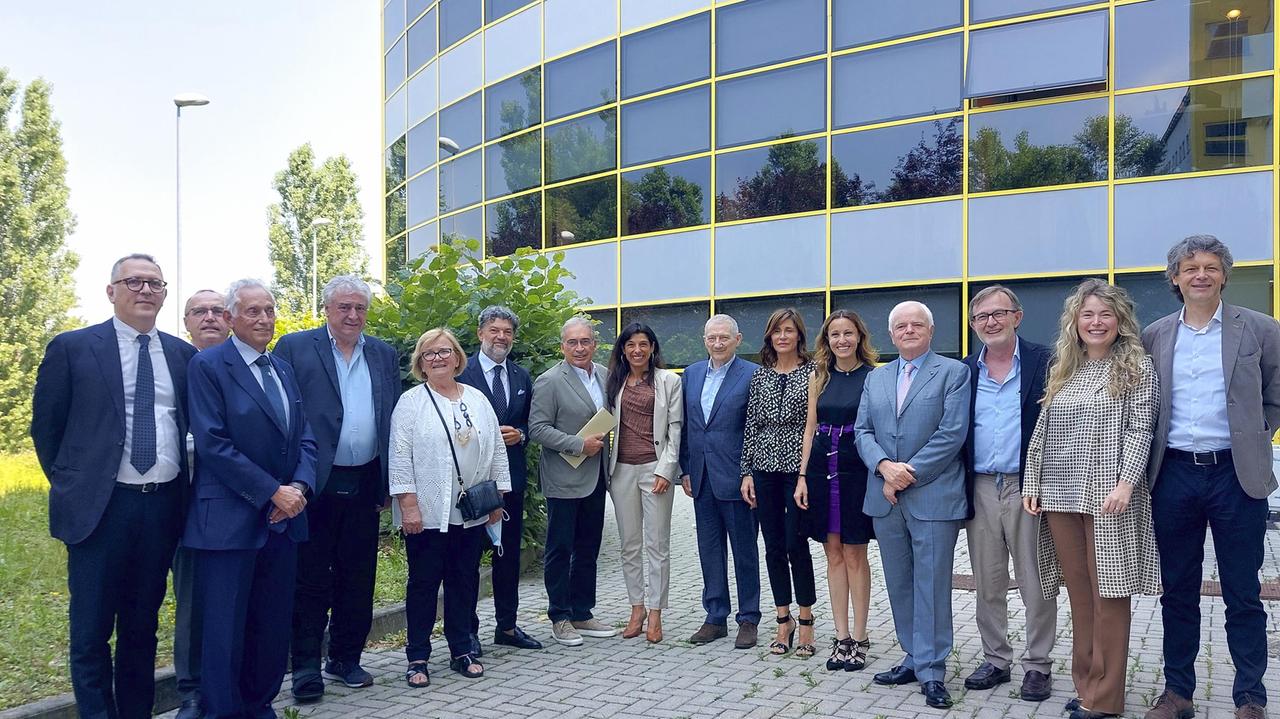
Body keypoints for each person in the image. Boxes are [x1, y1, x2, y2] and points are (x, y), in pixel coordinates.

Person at [31, 254, 196, 719]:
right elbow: (47, 429)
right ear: (111, 291)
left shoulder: (181, 355)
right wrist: (75, 484)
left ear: (164, 294)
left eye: (155, 284)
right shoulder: (73, 348)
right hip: (100, 511)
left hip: (161, 509)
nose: (145, 291)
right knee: (91, 630)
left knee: (142, 627)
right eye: (134, 282)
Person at [1141, 236, 1279, 719]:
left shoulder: (1261, 329)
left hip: (1236, 477)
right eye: (1191, 266)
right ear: (1175, 277)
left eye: (1211, 266)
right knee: (1177, 590)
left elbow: (1274, 393)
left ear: (1225, 275)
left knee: (1243, 592)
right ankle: (1178, 693)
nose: (1201, 273)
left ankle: (1250, 697)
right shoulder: (1155, 335)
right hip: (1173, 475)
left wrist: (1255, 436)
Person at [1022, 279, 1161, 719]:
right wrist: (1032, 483)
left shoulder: (1136, 366)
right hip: (1060, 496)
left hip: (1109, 498)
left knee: (1110, 596)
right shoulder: (1066, 366)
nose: (1096, 322)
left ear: (1120, 320)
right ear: (1075, 322)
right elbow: (1042, 430)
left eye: (1105, 314)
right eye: (1088, 315)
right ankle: (1085, 684)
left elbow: (1142, 428)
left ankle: (1105, 699)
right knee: (1080, 596)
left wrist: (1126, 482)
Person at [184, 279, 317, 719]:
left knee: (271, 623)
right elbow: (213, 443)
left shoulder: (281, 367)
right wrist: (270, 492)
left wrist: (297, 488)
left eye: (269, 310)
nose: (263, 319)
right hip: (229, 521)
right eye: (252, 311)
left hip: (283, 519)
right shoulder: (209, 366)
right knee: (224, 629)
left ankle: (260, 704)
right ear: (229, 317)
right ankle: (222, 711)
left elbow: (306, 438)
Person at [274, 275, 400, 701]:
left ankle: (346, 658)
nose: (352, 315)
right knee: (309, 579)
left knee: (358, 576)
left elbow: (390, 420)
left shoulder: (382, 353)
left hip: (365, 482)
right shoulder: (294, 347)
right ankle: (306, 666)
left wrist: (390, 482)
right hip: (313, 485)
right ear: (326, 309)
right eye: (343, 307)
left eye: (359, 308)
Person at [854, 300, 970, 709]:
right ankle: (912, 656)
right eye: (900, 326)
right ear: (891, 334)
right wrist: (884, 467)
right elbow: (862, 430)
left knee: (932, 583)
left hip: (933, 495)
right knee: (900, 581)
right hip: (884, 497)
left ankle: (934, 670)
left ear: (931, 330)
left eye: (915, 325)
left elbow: (951, 433)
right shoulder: (877, 378)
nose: (908, 331)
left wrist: (907, 473)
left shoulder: (954, 373)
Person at [389, 328, 509, 688]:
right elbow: (399, 456)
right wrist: (408, 504)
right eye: (430, 354)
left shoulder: (476, 399)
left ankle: (462, 649)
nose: (438, 358)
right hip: (426, 512)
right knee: (423, 584)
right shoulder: (411, 402)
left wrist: (496, 499)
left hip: (471, 510)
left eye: (445, 352)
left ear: (458, 358)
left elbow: (497, 451)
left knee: (464, 581)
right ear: (420, 363)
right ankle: (417, 657)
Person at [960, 285, 1057, 702]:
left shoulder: (1048, 361)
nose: (991, 322)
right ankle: (996, 659)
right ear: (972, 325)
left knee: (1035, 580)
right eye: (982, 317)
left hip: (1027, 486)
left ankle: (1037, 665)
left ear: (1017, 316)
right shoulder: (964, 371)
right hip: (980, 485)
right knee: (988, 580)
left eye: (999, 313)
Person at [794, 310, 877, 672]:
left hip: (857, 470)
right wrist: (801, 476)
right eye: (834, 335)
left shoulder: (876, 376)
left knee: (855, 554)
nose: (841, 340)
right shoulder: (819, 376)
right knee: (833, 554)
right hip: (820, 471)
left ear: (859, 336)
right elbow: (810, 428)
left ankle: (859, 637)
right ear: (826, 341)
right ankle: (840, 636)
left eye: (847, 333)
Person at [528, 317, 618, 646]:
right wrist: (579, 444)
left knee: (587, 548)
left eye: (585, 342)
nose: (579, 348)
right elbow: (537, 428)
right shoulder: (550, 381)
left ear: (595, 344)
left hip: (595, 478)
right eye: (572, 343)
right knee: (560, 548)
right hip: (564, 477)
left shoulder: (607, 376)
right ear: (562, 346)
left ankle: (582, 612)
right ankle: (560, 616)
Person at [458, 306, 542, 652]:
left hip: (511, 480)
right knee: (467, 559)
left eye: (507, 331)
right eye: (494, 330)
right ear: (480, 334)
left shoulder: (521, 377)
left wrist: (520, 435)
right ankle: (468, 631)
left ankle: (507, 627)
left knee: (506, 557)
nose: (501, 337)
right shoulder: (462, 374)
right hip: (471, 482)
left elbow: (528, 424)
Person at [680, 314, 762, 649]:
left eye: (724, 338)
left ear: (738, 339)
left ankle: (748, 618)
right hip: (701, 478)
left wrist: (751, 473)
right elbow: (685, 426)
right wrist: (685, 469)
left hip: (738, 479)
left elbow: (758, 429)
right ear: (704, 339)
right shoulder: (691, 374)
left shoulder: (754, 375)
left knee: (744, 551)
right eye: (712, 338)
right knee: (709, 551)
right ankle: (715, 616)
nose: (717, 343)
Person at [739, 308, 817, 658]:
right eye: (776, 331)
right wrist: (746, 472)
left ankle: (806, 620)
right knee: (771, 545)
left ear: (799, 335)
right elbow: (751, 426)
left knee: (795, 543)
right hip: (763, 468)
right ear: (769, 337)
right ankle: (781, 618)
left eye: (789, 330)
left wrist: (803, 475)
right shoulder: (760, 377)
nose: (782, 336)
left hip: (796, 470)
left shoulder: (814, 372)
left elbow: (811, 428)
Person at [605, 322, 683, 643]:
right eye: (630, 345)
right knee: (629, 545)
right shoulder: (614, 382)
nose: (636, 350)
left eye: (643, 344)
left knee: (657, 545)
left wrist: (667, 470)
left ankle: (655, 612)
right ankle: (635, 608)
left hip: (655, 469)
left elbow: (675, 429)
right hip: (621, 470)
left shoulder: (668, 382)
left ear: (652, 348)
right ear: (623, 350)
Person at [172, 288, 230, 719]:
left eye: (216, 310)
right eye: (199, 311)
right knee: (192, 599)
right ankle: (192, 689)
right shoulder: (173, 364)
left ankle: (234, 683)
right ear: (187, 321)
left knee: (238, 597)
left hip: (240, 501)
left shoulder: (245, 365)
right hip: (181, 501)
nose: (208, 317)